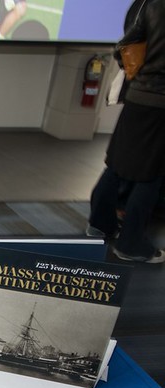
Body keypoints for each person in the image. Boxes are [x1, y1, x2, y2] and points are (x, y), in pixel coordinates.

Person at [87, 0, 165, 263]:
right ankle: (130, 244)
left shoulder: (149, 3)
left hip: (138, 95)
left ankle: (99, 225)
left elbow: (125, 44)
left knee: (117, 164)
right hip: (160, 101)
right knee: (150, 175)